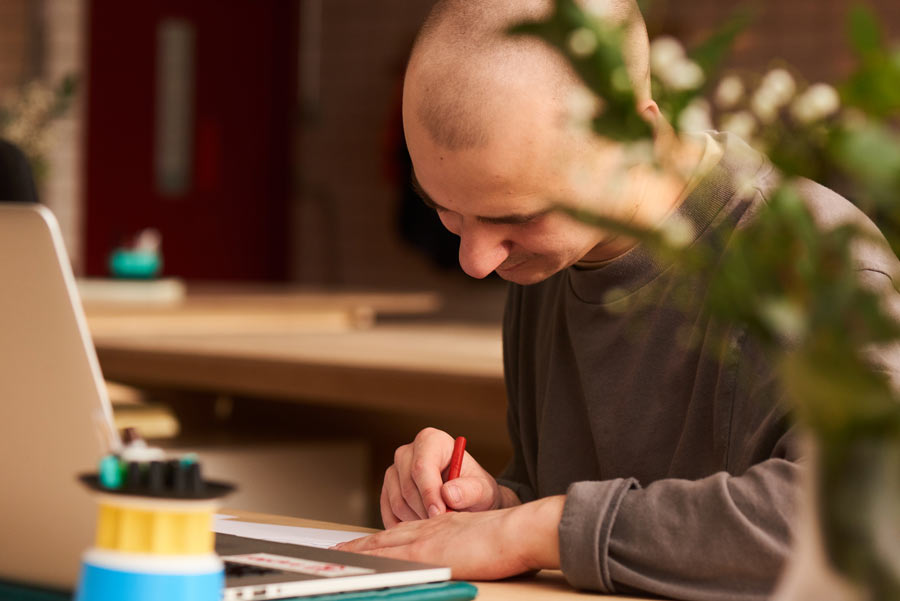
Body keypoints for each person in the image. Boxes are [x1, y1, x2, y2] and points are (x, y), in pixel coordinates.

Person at [335, 1, 900, 599]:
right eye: (446, 212)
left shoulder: (808, 255)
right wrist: (493, 506)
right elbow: (590, 521)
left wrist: (539, 528)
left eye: (514, 218)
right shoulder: (552, 258)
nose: (476, 262)